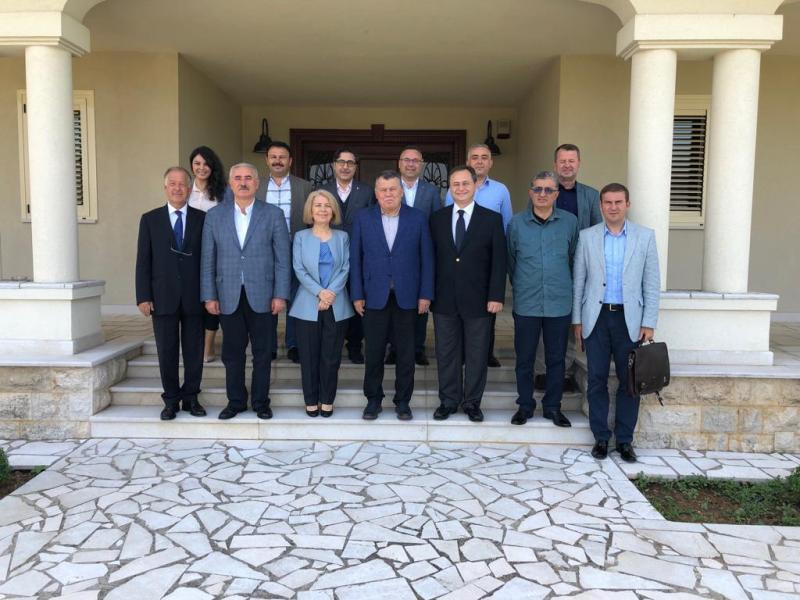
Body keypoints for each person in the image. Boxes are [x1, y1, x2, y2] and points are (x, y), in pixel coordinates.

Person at [573, 182, 660, 464]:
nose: (613, 207)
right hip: (596, 319)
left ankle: (624, 440)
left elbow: (651, 283)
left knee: (630, 382)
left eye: (618, 202)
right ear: (601, 206)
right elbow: (579, 282)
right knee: (596, 380)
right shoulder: (587, 237)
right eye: (608, 202)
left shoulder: (645, 237)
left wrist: (649, 321)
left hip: (629, 320)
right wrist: (577, 320)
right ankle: (600, 437)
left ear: (627, 205)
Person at [201, 163, 291, 420]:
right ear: (230, 184)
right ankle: (236, 401)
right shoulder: (214, 216)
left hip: (264, 295)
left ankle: (261, 402)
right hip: (227, 294)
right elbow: (208, 258)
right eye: (238, 178)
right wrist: (209, 295)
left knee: (263, 353)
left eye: (248, 178)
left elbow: (282, 259)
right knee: (232, 354)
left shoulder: (273, 214)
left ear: (257, 183)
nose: (243, 182)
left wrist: (280, 294)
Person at [350, 170, 434, 421]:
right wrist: (357, 294)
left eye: (393, 189)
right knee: (374, 353)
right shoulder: (363, 218)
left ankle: (403, 402)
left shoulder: (417, 218)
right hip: (373, 296)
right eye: (383, 190)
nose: (388, 194)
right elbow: (356, 259)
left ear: (401, 192)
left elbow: (427, 259)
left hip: (408, 297)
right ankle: (373, 400)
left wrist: (425, 294)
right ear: (376, 193)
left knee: (406, 354)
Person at [430, 165, 506, 422]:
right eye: (456, 184)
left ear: (475, 186)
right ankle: (448, 401)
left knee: (477, 353)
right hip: (444, 298)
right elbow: (431, 259)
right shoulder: (437, 219)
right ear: (449, 188)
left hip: (480, 299)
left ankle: (472, 402)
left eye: (465, 183)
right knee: (446, 353)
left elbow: (499, 261)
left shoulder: (491, 219)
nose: (461, 188)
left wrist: (496, 295)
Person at [507, 171, 578, 428]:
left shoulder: (570, 223)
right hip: (527, 302)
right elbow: (511, 262)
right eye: (537, 189)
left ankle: (553, 407)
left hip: (559, 303)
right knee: (524, 358)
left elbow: (574, 260)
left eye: (548, 190)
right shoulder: (516, 224)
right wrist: (522, 286)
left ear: (556, 194)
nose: (542, 194)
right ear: (530, 192)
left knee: (556, 359)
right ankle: (525, 405)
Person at [135, 167, 206, 420]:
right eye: (172, 184)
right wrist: (143, 296)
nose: (177, 188)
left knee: (194, 352)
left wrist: (210, 294)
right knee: (166, 351)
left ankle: (191, 398)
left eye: (182, 184)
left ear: (189, 188)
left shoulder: (202, 219)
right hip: (162, 296)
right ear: (165, 188)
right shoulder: (150, 219)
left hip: (195, 297)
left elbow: (208, 259)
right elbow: (143, 260)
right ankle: (171, 400)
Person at [534, 143, 604, 390]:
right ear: (555, 165)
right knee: (544, 321)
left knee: (573, 319)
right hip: (549, 267)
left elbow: (597, 233)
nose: (566, 165)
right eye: (562, 161)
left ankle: (564, 372)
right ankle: (542, 372)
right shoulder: (543, 191)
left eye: (571, 161)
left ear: (578, 164)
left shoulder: (591, 196)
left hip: (579, 268)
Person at [445, 143, 512, 367]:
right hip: (459, 261)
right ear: (468, 162)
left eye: (484, 157)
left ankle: (486, 353)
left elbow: (507, 225)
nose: (480, 161)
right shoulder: (454, 190)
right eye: (475, 157)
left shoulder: (501, 190)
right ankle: (463, 353)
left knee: (487, 313)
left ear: (491, 162)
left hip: (486, 260)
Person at [290, 190, 354, 418]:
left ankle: (327, 399)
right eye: (318, 205)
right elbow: (299, 269)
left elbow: (346, 267)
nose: (323, 209)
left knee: (331, 357)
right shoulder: (300, 237)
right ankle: (310, 400)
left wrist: (330, 294)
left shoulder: (342, 237)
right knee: (308, 357)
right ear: (311, 210)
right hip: (307, 305)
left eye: (327, 205)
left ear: (333, 210)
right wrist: (320, 292)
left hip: (337, 305)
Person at [256, 141, 314, 364]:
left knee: (295, 296)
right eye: (273, 157)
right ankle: (268, 345)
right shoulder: (257, 185)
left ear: (290, 161)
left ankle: (294, 344)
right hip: (263, 250)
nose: (277, 161)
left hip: (295, 248)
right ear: (267, 160)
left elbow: (310, 221)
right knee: (265, 297)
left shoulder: (304, 187)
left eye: (282, 157)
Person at [386, 146, 442, 366]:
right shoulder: (389, 187)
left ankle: (418, 348)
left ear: (422, 165)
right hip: (391, 257)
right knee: (393, 304)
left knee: (420, 305)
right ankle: (394, 348)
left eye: (415, 160)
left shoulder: (431, 191)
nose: (410, 164)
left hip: (419, 258)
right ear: (399, 163)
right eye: (406, 160)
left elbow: (436, 223)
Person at [321, 149, 374, 365]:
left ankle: (354, 346)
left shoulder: (367, 191)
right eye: (341, 162)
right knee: (332, 301)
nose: (345, 166)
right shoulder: (322, 191)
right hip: (329, 255)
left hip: (358, 256)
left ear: (355, 167)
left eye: (350, 163)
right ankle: (331, 345)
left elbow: (373, 223)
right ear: (334, 165)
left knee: (356, 300)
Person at [188, 145, 227, 363]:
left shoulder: (224, 192)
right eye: (197, 163)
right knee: (194, 298)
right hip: (190, 252)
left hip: (217, 251)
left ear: (213, 166)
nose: (201, 168)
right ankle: (195, 342)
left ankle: (208, 346)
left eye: (206, 163)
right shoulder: (185, 190)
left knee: (213, 297)